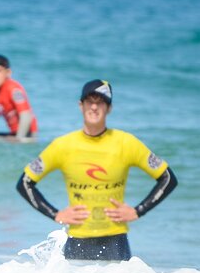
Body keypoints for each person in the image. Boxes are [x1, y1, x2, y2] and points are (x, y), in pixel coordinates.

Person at [16, 79, 178, 261]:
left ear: (109, 108)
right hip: (77, 242)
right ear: (81, 105)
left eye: (100, 102)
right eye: (89, 101)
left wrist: (138, 210)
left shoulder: (127, 143)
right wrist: (56, 214)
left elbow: (168, 178)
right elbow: (24, 182)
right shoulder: (63, 146)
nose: (94, 107)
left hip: (115, 243)